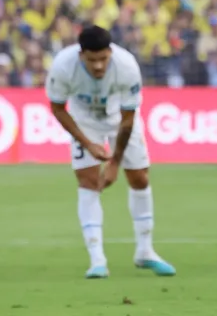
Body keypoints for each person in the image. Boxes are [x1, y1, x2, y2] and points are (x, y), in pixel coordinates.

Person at [45, 25, 175, 279]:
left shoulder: (126, 65)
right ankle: (97, 260)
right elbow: (58, 108)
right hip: (84, 122)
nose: (98, 66)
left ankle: (145, 252)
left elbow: (128, 118)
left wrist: (114, 162)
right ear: (81, 54)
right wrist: (87, 142)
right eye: (92, 60)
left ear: (111, 53)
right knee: (88, 181)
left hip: (120, 120)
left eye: (103, 59)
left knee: (140, 178)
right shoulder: (63, 66)